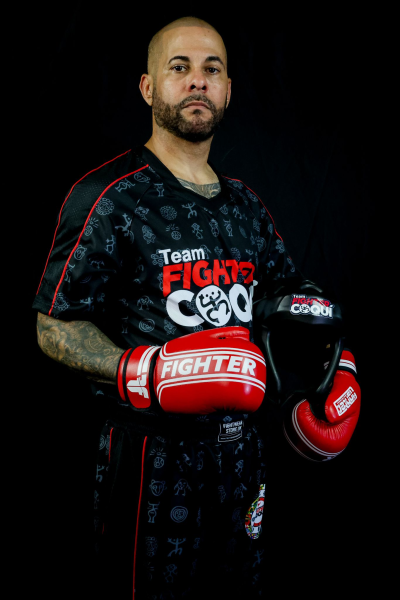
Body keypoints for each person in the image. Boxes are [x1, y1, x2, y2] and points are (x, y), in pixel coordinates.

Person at [33, 16, 361, 599]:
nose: (197, 81)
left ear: (228, 90)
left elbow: (292, 300)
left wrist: (332, 369)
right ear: (148, 87)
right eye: (179, 67)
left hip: (244, 458)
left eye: (212, 69)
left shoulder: (246, 207)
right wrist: (143, 371)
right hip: (150, 459)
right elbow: (54, 324)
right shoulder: (111, 196)